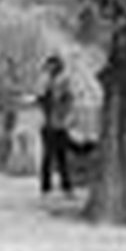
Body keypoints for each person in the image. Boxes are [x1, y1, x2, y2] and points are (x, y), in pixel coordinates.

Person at [36, 55, 74, 197]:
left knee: (59, 157)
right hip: (49, 124)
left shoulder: (63, 82)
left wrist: (62, 113)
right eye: (48, 65)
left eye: (51, 65)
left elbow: (66, 101)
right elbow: (42, 100)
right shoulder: (46, 81)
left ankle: (64, 187)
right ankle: (47, 188)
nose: (49, 68)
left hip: (58, 125)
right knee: (49, 157)